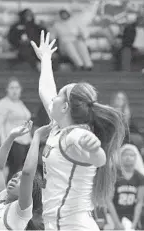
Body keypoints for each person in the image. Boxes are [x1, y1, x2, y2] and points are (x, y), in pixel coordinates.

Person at [30, 31, 125, 230]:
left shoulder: (76, 134)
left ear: (64, 107)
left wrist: (94, 149)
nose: (53, 98)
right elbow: (45, 89)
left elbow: (99, 159)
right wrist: (46, 58)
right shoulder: (58, 126)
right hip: (57, 224)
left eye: (59, 96)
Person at [0, 121, 50, 230]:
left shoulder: (21, 209)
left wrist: (36, 137)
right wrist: (11, 137)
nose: (14, 180)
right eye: (14, 177)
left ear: (29, 191)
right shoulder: (1, 200)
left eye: (20, 180)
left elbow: (27, 173)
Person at [0, 77, 32, 181]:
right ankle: (8, 194)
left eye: (17, 87)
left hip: (27, 141)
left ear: (21, 89)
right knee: (14, 170)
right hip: (14, 141)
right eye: (12, 88)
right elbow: (0, 125)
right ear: (7, 89)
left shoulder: (20, 103)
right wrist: (3, 143)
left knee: (25, 170)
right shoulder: (2, 104)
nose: (15, 90)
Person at [108, 144, 144, 230]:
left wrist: (134, 224)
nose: (128, 157)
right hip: (113, 216)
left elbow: (140, 202)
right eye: (125, 154)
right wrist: (116, 223)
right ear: (120, 157)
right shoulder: (114, 174)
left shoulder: (140, 177)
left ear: (136, 157)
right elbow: (108, 201)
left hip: (132, 217)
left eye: (131, 155)